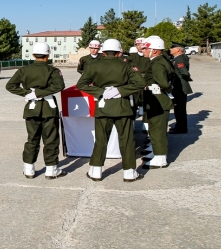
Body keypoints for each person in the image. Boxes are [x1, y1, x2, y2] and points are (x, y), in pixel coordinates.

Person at [77, 39, 146, 182]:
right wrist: (120, 90)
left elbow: (81, 84)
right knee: (126, 140)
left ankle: (96, 171)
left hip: (103, 106)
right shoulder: (126, 66)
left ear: (103, 52)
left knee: (101, 140)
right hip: (123, 107)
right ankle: (129, 172)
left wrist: (101, 91)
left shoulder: (94, 66)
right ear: (119, 52)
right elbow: (140, 82)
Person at [5, 42, 67, 179]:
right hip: (49, 109)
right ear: (48, 54)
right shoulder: (53, 71)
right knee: (50, 139)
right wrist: (41, 93)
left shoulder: (24, 70)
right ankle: (51, 169)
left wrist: (28, 93)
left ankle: (29, 169)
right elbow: (60, 86)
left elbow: (10, 85)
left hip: (32, 109)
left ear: (33, 55)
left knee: (32, 139)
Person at [142, 37, 174, 169]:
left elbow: (163, 82)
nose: (144, 50)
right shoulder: (156, 61)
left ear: (154, 51)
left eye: (146, 48)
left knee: (158, 131)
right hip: (155, 100)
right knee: (154, 129)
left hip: (158, 100)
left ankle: (160, 158)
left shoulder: (158, 63)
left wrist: (166, 90)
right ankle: (156, 152)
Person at [169, 42, 193, 134]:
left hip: (180, 86)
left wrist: (186, 79)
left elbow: (185, 72)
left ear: (178, 50)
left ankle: (181, 128)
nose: (170, 49)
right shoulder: (177, 58)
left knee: (180, 108)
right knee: (177, 108)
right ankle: (179, 126)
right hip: (178, 86)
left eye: (172, 48)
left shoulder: (180, 59)